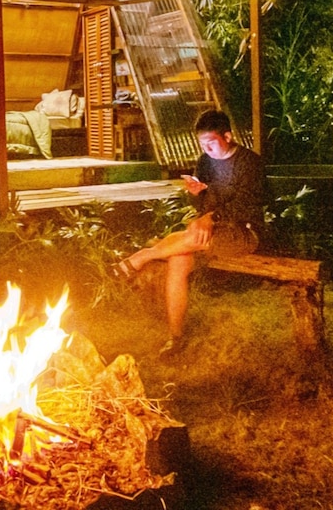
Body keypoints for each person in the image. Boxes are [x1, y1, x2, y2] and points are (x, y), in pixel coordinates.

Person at [110, 110, 268, 356]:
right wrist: (196, 194)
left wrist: (210, 217)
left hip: (245, 233)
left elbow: (246, 207)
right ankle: (176, 337)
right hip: (212, 230)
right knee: (178, 261)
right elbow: (203, 207)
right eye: (202, 144)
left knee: (190, 238)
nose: (206, 149)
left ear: (228, 136)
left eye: (211, 143)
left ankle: (142, 256)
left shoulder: (250, 163)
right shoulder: (205, 162)